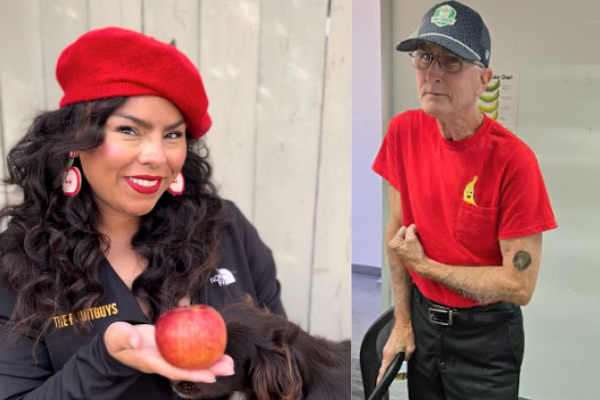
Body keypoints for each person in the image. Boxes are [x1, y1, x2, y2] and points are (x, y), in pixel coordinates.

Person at [0, 27, 285, 400]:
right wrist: (106, 362)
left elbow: (282, 357)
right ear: (75, 140)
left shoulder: (226, 229)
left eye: (172, 135)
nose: (156, 156)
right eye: (129, 129)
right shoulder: (18, 262)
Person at [372, 2, 557, 399]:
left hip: (485, 340)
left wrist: (428, 267)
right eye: (425, 57)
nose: (433, 73)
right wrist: (402, 321)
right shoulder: (402, 132)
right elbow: (397, 229)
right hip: (422, 324)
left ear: (483, 80)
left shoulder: (514, 161)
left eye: (452, 61)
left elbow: (519, 284)